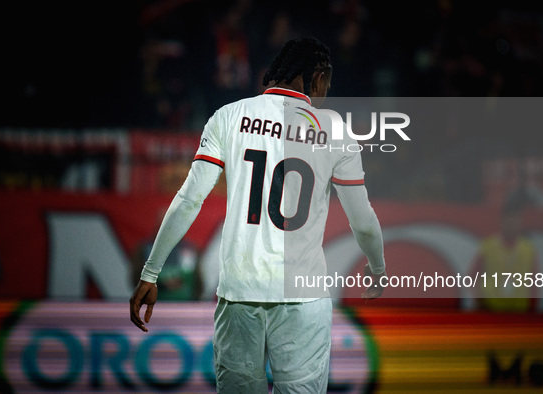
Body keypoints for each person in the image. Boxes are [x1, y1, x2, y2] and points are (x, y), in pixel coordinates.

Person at [130, 37, 387, 393]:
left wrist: (151, 272)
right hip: (303, 297)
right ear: (317, 76)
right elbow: (363, 221)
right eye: (327, 81)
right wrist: (377, 267)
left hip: (240, 293)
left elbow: (190, 198)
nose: (327, 90)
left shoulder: (229, 116)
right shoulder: (335, 130)